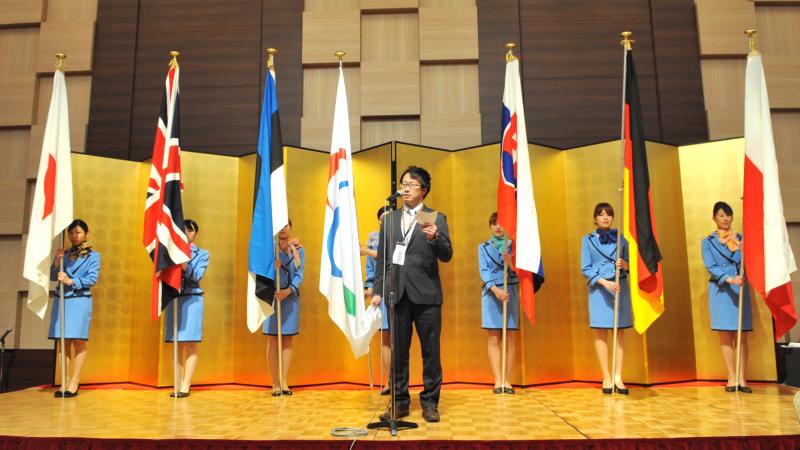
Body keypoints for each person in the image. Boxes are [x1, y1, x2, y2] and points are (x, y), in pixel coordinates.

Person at [372, 166, 453, 423]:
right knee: (398, 352)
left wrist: (436, 238)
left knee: (430, 352)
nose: (406, 188)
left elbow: (447, 254)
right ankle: (399, 402)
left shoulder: (435, 217)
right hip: (397, 293)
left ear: (424, 190)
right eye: (404, 184)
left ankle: (430, 402)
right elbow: (383, 259)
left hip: (427, 296)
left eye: (412, 184)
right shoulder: (391, 219)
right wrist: (378, 291)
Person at [701, 201, 752, 393]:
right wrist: (729, 278)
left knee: (742, 335)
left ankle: (742, 379)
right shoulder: (708, 242)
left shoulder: (742, 239)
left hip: (741, 288)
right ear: (714, 218)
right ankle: (731, 377)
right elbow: (710, 266)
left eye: (728, 215)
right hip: (721, 290)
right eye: (721, 215)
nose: (725, 218)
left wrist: (743, 250)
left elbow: (751, 262)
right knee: (725, 336)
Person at [580, 203, 631, 395]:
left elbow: (632, 265)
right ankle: (606, 376)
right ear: (595, 218)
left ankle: (618, 375)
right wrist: (603, 281)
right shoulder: (587, 240)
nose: (605, 218)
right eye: (601, 215)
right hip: (600, 290)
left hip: (620, 288)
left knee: (619, 333)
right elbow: (585, 268)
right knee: (601, 332)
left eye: (609, 214)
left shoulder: (621, 239)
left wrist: (625, 264)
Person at [49, 219, 100, 398]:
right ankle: (64, 381)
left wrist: (72, 281)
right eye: (71, 233)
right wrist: (57, 260)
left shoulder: (93, 256)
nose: (74, 236)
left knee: (78, 341)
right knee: (64, 342)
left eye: (78, 232)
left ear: (86, 234)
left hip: (79, 300)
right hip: (63, 300)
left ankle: (74, 382)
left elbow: (92, 279)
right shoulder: (64, 254)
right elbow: (52, 276)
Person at [163, 219, 209, 398]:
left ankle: (186, 385)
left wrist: (184, 265)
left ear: (195, 234)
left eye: (190, 231)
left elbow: (197, 275)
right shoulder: (170, 252)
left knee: (190, 343)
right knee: (176, 344)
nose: (187, 234)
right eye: (183, 231)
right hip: (174, 299)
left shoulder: (202, 254)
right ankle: (176, 383)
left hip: (192, 299)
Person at [478, 212, 518, 394]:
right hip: (492, 293)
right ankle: (498, 379)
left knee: (510, 337)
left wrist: (510, 264)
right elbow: (484, 271)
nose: (498, 227)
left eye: (501, 223)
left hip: (510, 292)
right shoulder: (483, 247)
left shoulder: (515, 246)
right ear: (490, 226)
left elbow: (522, 274)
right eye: (494, 223)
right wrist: (494, 290)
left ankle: (507, 380)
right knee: (493, 337)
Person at [263, 219, 304, 397]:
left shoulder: (298, 249)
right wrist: (273, 268)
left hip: (290, 298)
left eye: (286, 226)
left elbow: (300, 274)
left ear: (291, 227)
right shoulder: (269, 249)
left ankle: (284, 380)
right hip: (272, 298)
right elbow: (261, 272)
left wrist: (289, 291)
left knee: (287, 340)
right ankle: (275, 381)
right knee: (273, 340)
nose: (283, 229)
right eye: (279, 226)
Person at [362, 206, 393, 395]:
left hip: (401, 291)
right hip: (380, 294)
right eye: (382, 219)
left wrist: (366, 251)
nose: (385, 221)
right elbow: (371, 273)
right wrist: (367, 290)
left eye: (389, 218)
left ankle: (401, 382)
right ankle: (389, 381)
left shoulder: (402, 238)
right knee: (385, 339)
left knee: (401, 340)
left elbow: (393, 261)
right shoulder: (372, 242)